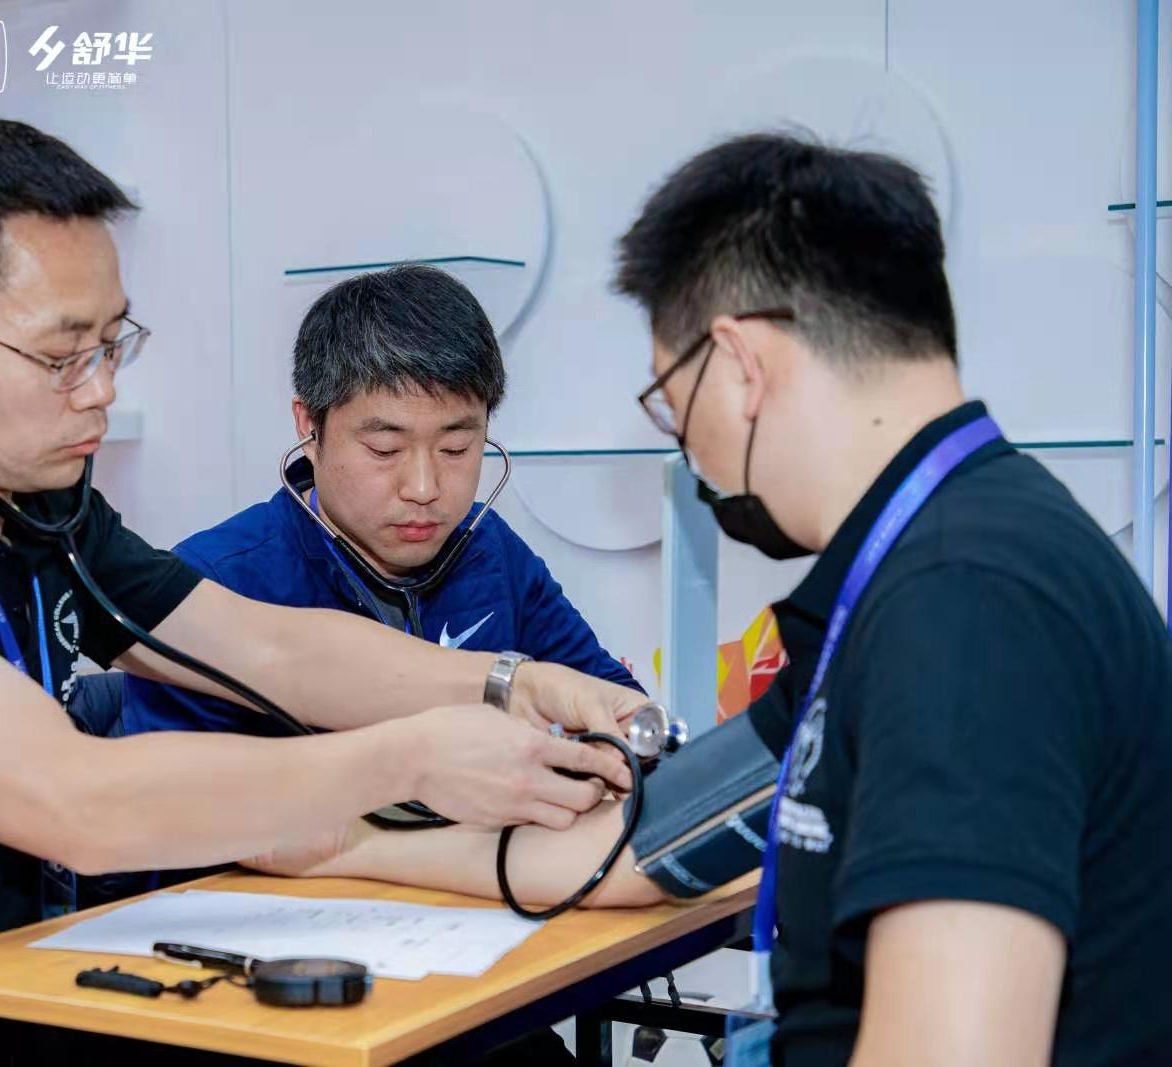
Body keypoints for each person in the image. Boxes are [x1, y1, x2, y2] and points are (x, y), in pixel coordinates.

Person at [0, 119, 648, 1067]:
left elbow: (271, 648)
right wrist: (413, 754)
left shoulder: (43, 511)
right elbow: (78, 801)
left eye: (112, 343)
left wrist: (510, 684)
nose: (101, 387)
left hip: (8, 1013)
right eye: (60, 354)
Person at [250, 133, 1172, 1067]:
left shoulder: (965, 605)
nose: (690, 451)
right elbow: (647, 843)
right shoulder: (922, 564)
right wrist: (344, 846)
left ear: (739, 365)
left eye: (673, 404)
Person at [89, 264, 638, 749]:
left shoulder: (490, 549)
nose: (423, 488)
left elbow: (609, 703)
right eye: (384, 449)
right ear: (310, 427)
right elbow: (179, 807)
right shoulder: (216, 581)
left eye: (455, 448)